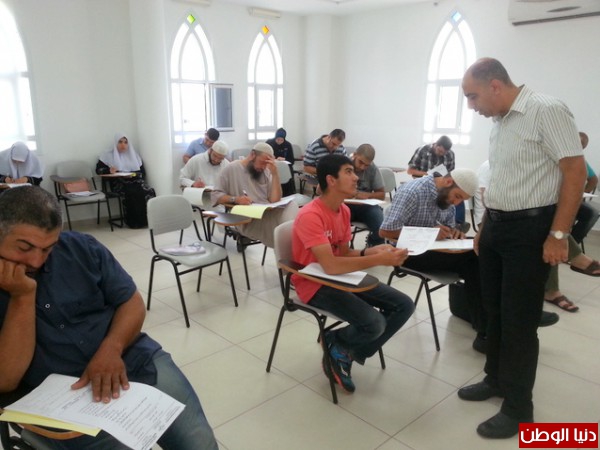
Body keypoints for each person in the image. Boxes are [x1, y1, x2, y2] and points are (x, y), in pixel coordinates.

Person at [0, 186, 218, 449]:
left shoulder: (81, 248)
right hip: (64, 400)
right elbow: (6, 380)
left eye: (48, 249)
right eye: (24, 247)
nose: (36, 261)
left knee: (199, 444)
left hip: (131, 357)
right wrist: (22, 297)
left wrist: (111, 349)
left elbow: (132, 302)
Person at [458, 57, 586, 439]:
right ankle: (495, 379)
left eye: (472, 96)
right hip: (496, 226)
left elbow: (575, 172)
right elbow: (501, 178)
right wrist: (484, 226)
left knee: (519, 321)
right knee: (494, 311)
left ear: (495, 86)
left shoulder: (546, 110)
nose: (471, 106)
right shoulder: (500, 121)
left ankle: (518, 409)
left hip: (530, 230)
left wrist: (558, 235)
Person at [292, 154, 414, 393]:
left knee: (404, 305)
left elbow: (344, 254)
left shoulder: (344, 211)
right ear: (331, 180)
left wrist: (370, 251)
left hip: (338, 276)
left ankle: (342, 347)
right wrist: (378, 260)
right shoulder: (310, 215)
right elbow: (330, 266)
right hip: (314, 283)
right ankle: (339, 344)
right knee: (375, 323)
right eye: (348, 172)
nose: (356, 177)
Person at [379, 169, 489, 350]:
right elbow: (385, 231)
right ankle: (485, 328)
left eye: (461, 200)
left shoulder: (446, 199)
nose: (456, 203)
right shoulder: (413, 192)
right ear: (448, 182)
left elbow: (447, 228)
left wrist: (454, 233)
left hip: (434, 250)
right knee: (473, 261)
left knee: (478, 253)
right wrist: (429, 233)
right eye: (457, 196)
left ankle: (486, 322)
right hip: (407, 253)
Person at [476, 160, 600, 314]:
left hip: (523, 219)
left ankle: (554, 286)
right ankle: (574, 260)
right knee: (545, 229)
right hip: (495, 222)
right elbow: (487, 202)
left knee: (549, 226)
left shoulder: (537, 164)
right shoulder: (493, 165)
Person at [211, 142, 298, 249]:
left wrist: (275, 174)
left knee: (292, 206)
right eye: (262, 162)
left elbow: (274, 200)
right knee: (285, 230)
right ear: (252, 155)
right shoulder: (231, 168)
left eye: (266, 164)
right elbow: (215, 195)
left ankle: (290, 247)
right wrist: (236, 199)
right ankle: (289, 250)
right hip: (247, 219)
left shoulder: (266, 171)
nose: (264, 167)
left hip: (266, 213)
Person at [96, 133, 156, 229]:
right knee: (131, 192)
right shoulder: (107, 155)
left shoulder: (134, 155)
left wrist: (133, 175)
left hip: (135, 181)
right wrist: (109, 170)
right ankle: (134, 222)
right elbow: (98, 170)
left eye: (125, 142)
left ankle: (148, 220)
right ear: (116, 143)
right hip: (119, 182)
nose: (123, 145)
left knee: (148, 190)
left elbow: (142, 172)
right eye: (120, 142)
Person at [346, 144, 385, 248]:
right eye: (361, 162)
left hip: (366, 206)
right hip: (345, 205)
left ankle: (373, 244)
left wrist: (367, 195)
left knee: (381, 227)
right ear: (355, 155)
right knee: (336, 224)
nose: (362, 167)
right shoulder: (344, 165)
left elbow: (382, 194)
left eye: (367, 165)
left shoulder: (373, 168)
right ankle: (342, 249)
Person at [266, 128, 295, 196]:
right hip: (271, 166)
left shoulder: (288, 145)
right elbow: (263, 156)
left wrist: (284, 159)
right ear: (275, 137)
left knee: (288, 172)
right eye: (278, 139)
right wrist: (272, 158)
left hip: (284, 168)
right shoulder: (269, 143)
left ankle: (288, 194)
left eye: (281, 140)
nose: (279, 141)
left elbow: (292, 160)